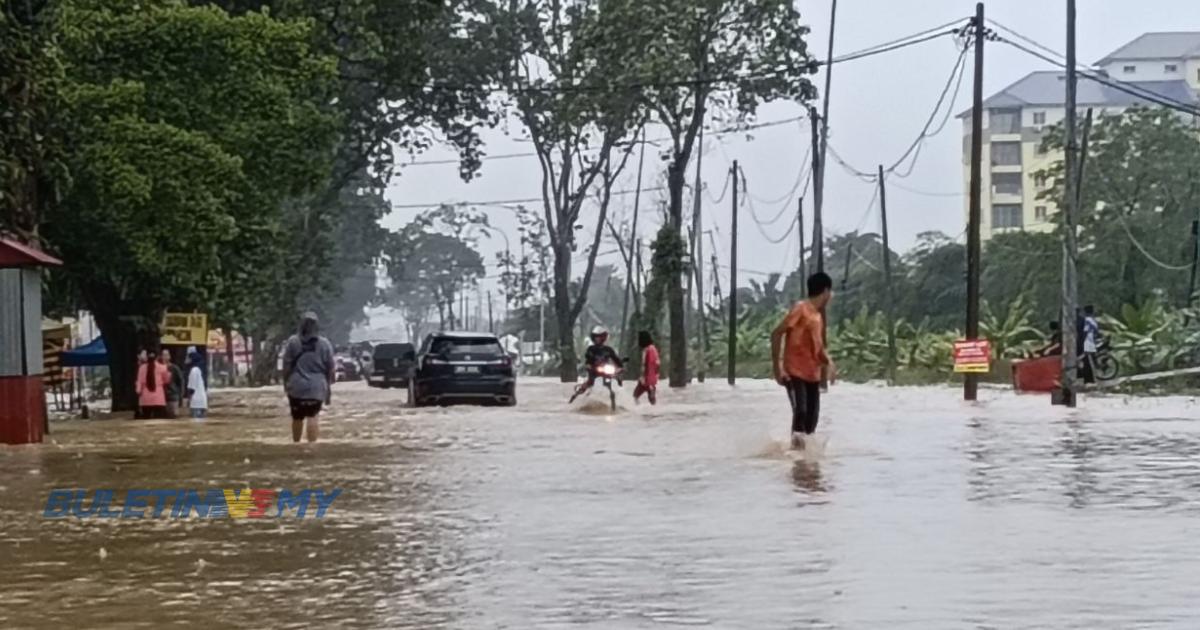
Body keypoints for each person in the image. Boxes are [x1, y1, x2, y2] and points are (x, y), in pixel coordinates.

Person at [771, 272, 836, 450]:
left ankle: (806, 465)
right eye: (831, 292)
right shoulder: (801, 309)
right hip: (794, 373)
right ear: (825, 291)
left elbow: (818, 348)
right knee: (801, 412)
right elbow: (777, 333)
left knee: (811, 420)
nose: (831, 296)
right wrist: (777, 367)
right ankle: (795, 457)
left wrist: (829, 363)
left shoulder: (818, 317)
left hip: (812, 375)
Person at [281, 311, 335, 443]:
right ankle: (311, 446)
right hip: (317, 387)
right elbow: (330, 368)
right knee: (313, 416)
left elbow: (286, 366)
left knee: (297, 417)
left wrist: (285, 383)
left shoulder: (293, 342)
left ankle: (296, 445)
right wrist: (328, 388)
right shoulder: (324, 344)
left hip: (296, 386)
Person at [571, 326, 624, 399]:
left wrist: (620, 367)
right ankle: (576, 395)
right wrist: (588, 365)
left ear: (603, 337)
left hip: (605, 370)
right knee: (590, 382)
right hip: (594, 370)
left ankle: (619, 396)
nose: (597, 338)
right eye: (596, 337)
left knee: (616, 378)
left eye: (599, 336)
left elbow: (616, 359)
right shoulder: (591, 349)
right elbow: (588, 359)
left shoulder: (608, 349)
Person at [136, 347, 171, 419]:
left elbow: (139, 383)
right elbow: (167, 381)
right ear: (157, 356)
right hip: (159, 398)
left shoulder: (142, 368)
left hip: (145, 399)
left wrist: (138, 391)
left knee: (146, 421)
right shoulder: (163, 367)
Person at [633, 330, 659, 405]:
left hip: (647, 378)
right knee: (651, 398)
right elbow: (656, 364)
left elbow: (646, 364)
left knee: (635, 396)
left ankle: (638, 410)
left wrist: (644, 377)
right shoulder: (653, 348)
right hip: (651, 377)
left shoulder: (647, 350)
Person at [185, 349, 208, 420]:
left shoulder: (194, 370)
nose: (186, 359)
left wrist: (188, 399)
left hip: (196, 403)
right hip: (203, 402)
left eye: (188, 357)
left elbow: (192, 387)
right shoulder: (200, 369)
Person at [160, 348, 184, 419]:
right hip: (161, 397)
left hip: (173, 396)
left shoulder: (174, 368)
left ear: (169, 356)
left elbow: (181, 381)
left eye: (166, 355)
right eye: (163, 355)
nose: (165, 357)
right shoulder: (157, 368)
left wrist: (181, 395)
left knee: (173, 417)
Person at [1080, 305, 1100, 383]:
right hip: (1093, 339)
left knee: (1087, 359)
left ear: (1085, 312)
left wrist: (1082, 340)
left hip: (1088, 340)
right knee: (1091, 357)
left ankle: (1092, 376)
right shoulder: (1093, 320)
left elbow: (1085, 330)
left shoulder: (1087, 320)